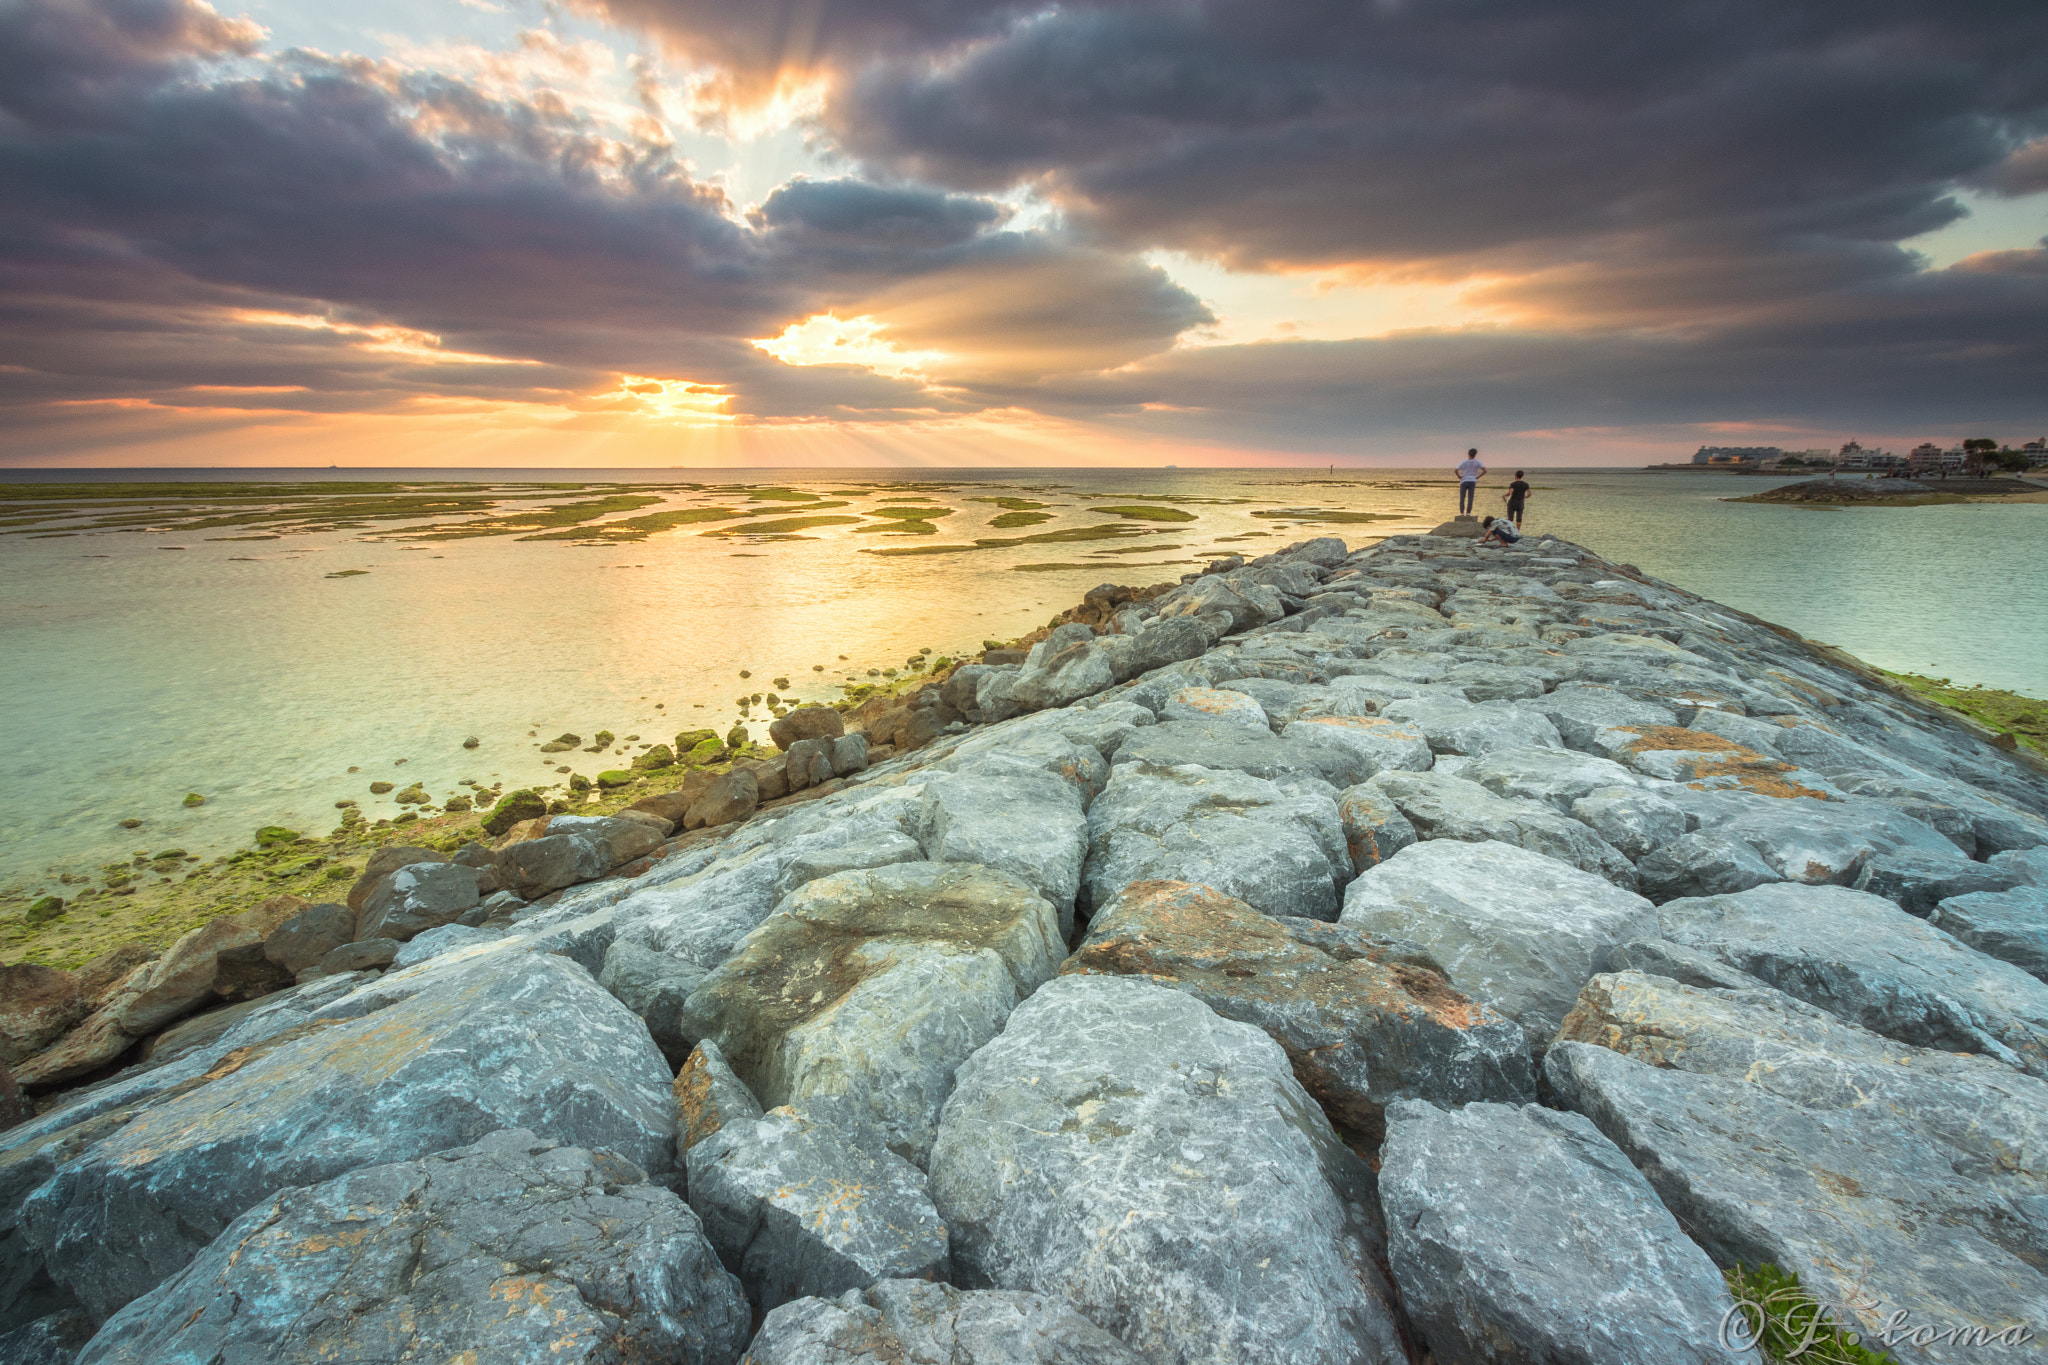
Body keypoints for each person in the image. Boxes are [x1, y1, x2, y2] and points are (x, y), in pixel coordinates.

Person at [1454, 448, 1486, 514]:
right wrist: (1478, 477)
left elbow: (1456, 470)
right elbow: (1485, 470)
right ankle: (1468, 513)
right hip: (1472, 480)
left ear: (1468, 454)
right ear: (1475, 454)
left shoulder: (1464, 462)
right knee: (1470, 497)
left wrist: (1459, 476)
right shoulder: (1477, 462)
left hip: (1464, 480)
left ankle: (1462, 512)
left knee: (1462, 497)